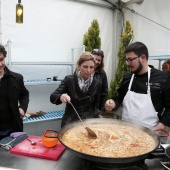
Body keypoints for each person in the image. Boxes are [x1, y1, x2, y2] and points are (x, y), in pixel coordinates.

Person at [105, 41, 170, 131]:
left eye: (130, 59)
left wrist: (162, 124)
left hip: (150, 132)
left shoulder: (162, 78)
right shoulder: (127, 78)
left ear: (143, 58)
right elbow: (119, 98)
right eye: (127, 60)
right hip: (125, 130)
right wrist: (112, 103)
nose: (128, 63)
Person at [50, 52, 101, 127]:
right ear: (79, 66)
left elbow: (97, 107)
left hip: (88, 124)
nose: (88, 70)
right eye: (85, 67)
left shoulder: (97, 84)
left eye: (91, 67)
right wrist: (61, 97)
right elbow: (53, 96)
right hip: (70, 122)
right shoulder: (69, 80)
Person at [0, 44, 29, 140]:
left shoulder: (17, 78)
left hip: (13, 128)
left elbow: (24, 94)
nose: (0, 64)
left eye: (1, 59)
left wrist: (22, 107)